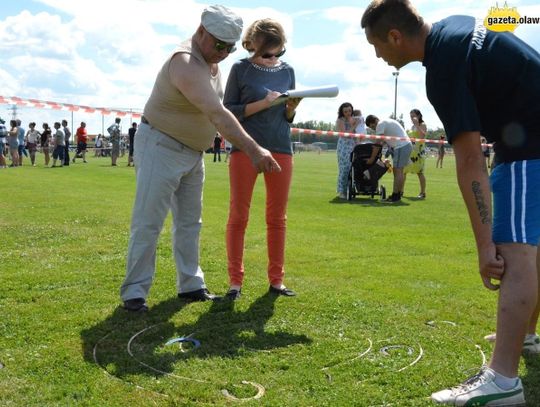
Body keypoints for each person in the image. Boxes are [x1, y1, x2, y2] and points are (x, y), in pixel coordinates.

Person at [362, 1, 540, 405]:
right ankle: (526, 336)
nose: (377, 55)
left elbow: (471, 159)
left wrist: (483, 246)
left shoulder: (442, 64)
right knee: (532, 247)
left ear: (395, 36)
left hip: (531, 144)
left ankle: (502, 383)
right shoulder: (454, 27)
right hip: (530, 135)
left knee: (513, 253)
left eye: (376, 45)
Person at [120, 5, 280, 312]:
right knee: (148, 222)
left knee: (190, 223)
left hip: (193, 154)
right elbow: (218, 113)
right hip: (161, 146)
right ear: (201, 31)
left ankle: (191, 285)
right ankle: (134, 293)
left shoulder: (211, 62)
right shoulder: (184, 62)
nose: (223, 52)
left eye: (230, 48)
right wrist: (254, 149)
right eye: (219, 45)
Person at [223, 17, 301, 300]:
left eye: (276, 51)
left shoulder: (288, 70)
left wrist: (290, 109)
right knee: (238, 216)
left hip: (281, 147)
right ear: (253, 44)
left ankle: (276, 281)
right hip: (246, 149)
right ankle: (235, 282)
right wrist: (263, 103)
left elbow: (288, 118)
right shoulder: (240, 69)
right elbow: (229, 110)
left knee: (277, 218)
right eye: (265, 51)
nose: (271, 57)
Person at [365, 114, 412, 202]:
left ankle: (395, 196)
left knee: (397, 171)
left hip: (401, 146)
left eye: (372, 126)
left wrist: (372, 158)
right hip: (405, 145)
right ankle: (398, 194)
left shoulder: (380, 124)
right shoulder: (386, 121)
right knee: (400, 171)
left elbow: (378, 143)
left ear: (374, 121)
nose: (374, 129)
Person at [335, 102, 359, 199]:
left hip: (353, 145)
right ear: (342, 112)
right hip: (344, 146)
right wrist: (354, 125)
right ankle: (342, 191)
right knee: (344, 169)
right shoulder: (340, 120)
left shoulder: (354, 119)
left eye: (349, 110)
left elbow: (357, 133)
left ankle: (351, 190)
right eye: (345, 111)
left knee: (353, 168)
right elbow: (345, 134)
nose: (348, 113)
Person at [404, 108, 427, 198]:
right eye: (411, 116)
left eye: (413, 116)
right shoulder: (411, 127)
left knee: (420, 172)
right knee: (404, 171)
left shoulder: (422, 124)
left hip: (418, 153)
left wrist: (417, 125)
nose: (412, 118)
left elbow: (422, 136)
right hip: (410, 152)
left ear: (419, 116)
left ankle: (423, 192)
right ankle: (400, 191)